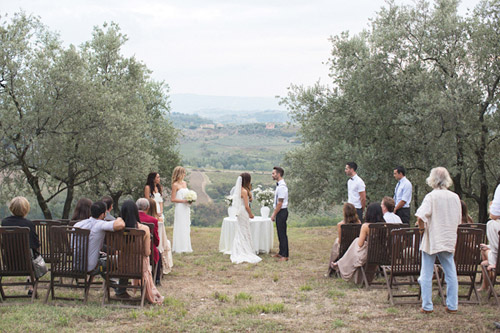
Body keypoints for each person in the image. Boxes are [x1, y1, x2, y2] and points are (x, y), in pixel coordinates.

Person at [415, 167, 460, 314]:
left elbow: (420, 216)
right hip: (448, 236)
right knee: (450, 271)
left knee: (427, 272)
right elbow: (458, 219)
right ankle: (452, 304)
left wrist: (422, 230)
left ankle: (427, 305)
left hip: (433, 236)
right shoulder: (455, 197)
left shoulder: (431, 197)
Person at [73, 202, 126, 297]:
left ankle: (115, 286)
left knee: (103, 260)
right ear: (103, 214)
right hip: (91, 266)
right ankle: (120, 289)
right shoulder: (100, 225)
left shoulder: (77, 225)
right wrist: (119, 217)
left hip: (76, 265)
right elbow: (120, 225)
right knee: (120, 260)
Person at [121, 200, 164, 305]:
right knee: (146, 259)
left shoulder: (117, 229)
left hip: (120, 266)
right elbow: (146, 252)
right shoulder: (144, 229)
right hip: (139, 267)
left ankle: (120, 291)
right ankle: (152, 286)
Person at [332, 203, 385, 284]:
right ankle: (339, 263)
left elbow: (360, 245)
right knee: (356, 243)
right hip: (383, 255)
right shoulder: (386, 226)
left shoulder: (366, 226)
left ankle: (339, 264)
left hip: (370, 256)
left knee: (357, 241)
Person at [1, 196, 41, 296]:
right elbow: (35, 245)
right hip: (27, 264)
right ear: (26, 209)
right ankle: (31, 288)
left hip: (9, 262)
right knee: (34, 258)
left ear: (11, 208)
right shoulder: (29, 224)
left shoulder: (4, 222)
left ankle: (29, 279)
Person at [229, 173, 262, 264]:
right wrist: (251, 214)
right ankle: (244, 250)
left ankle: (239, 248)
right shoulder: (244, 191)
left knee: (240, 230)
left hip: (239, 212)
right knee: (245, 230)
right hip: (244, 211)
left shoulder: (238, 190)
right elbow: (247, 206)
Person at [326, 203, 361, 277]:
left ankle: (332, 269)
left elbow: (340, 240)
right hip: (354, 247)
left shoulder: (340, 225)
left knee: (336, 243)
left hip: (344, 248)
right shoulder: (359, 223)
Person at [145, 172, 172, 261]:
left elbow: (161, 201)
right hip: (152, 209)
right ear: (153, 178)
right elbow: (147, 200)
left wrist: (161, 210)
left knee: (161, 226)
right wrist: (155, 212)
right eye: (157, 177)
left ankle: (160, 243)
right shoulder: (148, 188)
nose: (159, 178)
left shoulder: (159, 187)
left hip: (159, 210)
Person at [147, 197, 173, 275]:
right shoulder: (157, 220)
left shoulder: (138, 219)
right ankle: (157, 277)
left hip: (137, 247)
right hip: (151, 247)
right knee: (163, 246)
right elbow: (157, 240)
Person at [136, 198, 161, 279]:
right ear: (148, 208)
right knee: (158, 253)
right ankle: (156, 279)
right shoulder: (153, 220)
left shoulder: (131, 219)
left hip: (132, 249)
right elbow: (156, 240)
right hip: (148, 249)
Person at [479, 199, 500, 291]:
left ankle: (486, 285)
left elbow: (496, 246)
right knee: (484, 262)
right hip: (496, 257)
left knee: (483, 251)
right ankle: (486, 284)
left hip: (497, 260)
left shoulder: (492, 224)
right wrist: (489, 246)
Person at [171, 166, 193, 253]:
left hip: (186, 208)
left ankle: (186, 246)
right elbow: (173, 199)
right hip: (180, 208)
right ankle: (179, 247)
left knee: (186, 225)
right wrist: (184, 201)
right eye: (183, 173)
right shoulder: (175, 185)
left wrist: (190, 200)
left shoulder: (184, 183)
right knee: (180, 225)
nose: (185, 174)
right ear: (179, 174)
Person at [271, 166, 289, 261]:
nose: (272, 175)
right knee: (279, 232)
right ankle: (281, 252)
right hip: (280, 211)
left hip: (281, 211)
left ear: (278, 174)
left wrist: (274, 214)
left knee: (282, 233)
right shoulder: (279, 185)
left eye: (273, 173)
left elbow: (280, 203)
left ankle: (285, 255)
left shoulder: (282, 187)